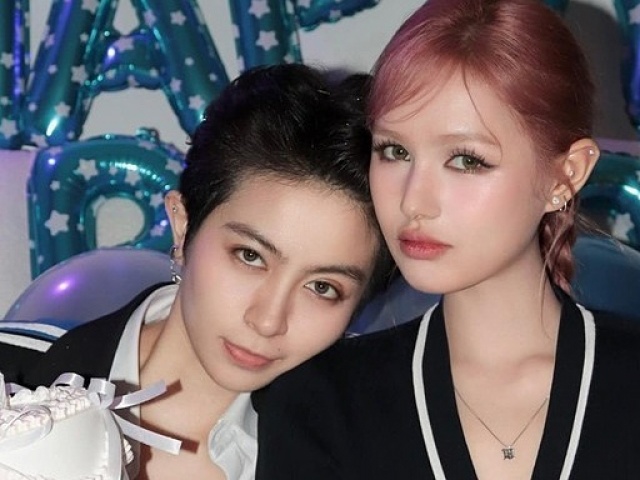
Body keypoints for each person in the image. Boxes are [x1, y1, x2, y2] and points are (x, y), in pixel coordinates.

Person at [255, 1, 640, 479]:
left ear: (566, 174)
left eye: (466, 160)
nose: (414, 200)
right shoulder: (321, 403)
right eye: (394, 151)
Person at [0, 63, 392, 479]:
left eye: (322, 287)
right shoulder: (13, 376)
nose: (268, 320)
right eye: (250, 256)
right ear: (183, 226)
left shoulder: (369, 455)